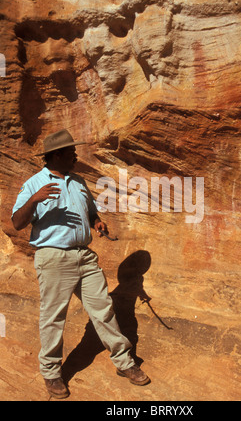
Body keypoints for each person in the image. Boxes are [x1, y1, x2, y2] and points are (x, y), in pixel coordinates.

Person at [11, 129, 150, 399]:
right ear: (58, 155)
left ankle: (124, 363)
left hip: (84, 256)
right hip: (53, 257)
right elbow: (17, 222)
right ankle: (51, 373)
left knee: (104, 309)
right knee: (53, 317)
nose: (76, 156)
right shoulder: (34, 184)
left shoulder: (77, 181)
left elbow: (89, 210)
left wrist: (96, 220)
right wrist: (34, 199)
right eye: (72, 152)